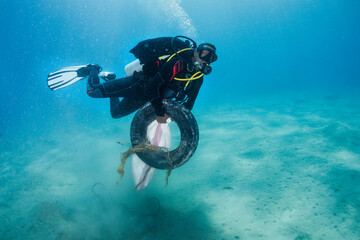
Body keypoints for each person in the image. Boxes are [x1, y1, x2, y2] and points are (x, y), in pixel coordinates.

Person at [85, 37, 218, 123]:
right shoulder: (178, 62)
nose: (204, 60)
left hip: (149, 99)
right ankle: (93, 69)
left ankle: (110, 78)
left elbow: (188, 105)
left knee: (115, 114)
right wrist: (159, 112)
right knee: (92, 92)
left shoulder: (198, 78)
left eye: (210, 59)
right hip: (139, 86)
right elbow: (152, 87)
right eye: (203, 54)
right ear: (195, 52)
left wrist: (175, 117)